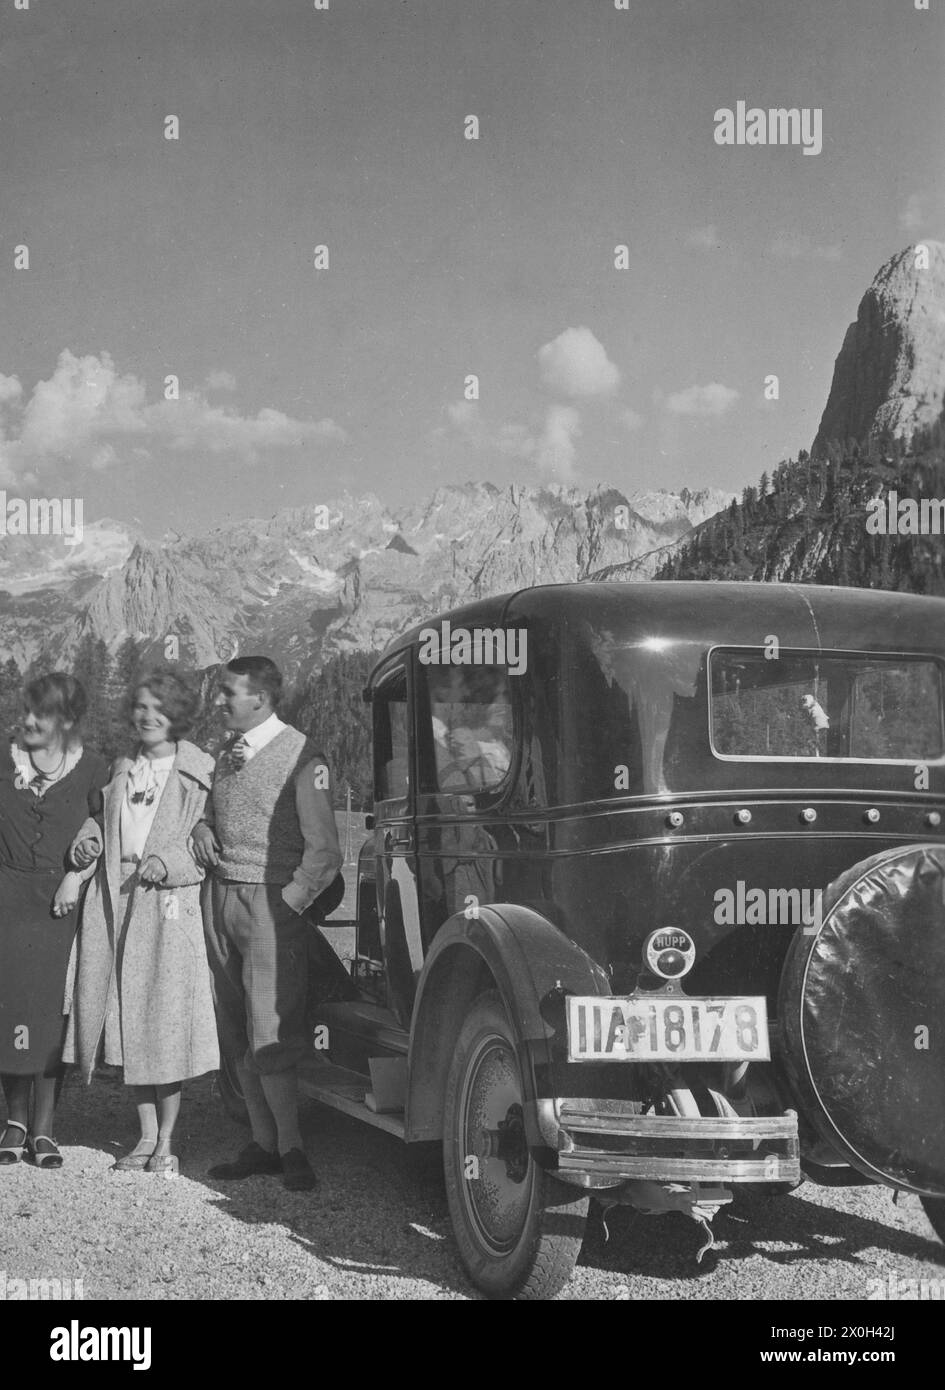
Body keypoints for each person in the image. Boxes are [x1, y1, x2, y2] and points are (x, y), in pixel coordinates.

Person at [192, 656, 343, 1192]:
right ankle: (261, 1143)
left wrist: (289, 903)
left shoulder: (303, 757)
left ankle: (293, 1147)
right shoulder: (225, 756)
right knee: (235, 1029)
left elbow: (325, 851)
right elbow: (215, 812)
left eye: (228, 692)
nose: (219, 701)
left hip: (270, 905)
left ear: (261, 698)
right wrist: (201, 829)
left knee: (272, 1030)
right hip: (221, 898)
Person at [63, 671, 219, 1175]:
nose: (149, 717)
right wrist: (87, 840)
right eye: (142, 707)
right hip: (116, 897)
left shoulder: (199, 772)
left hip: (168, 908)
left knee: (163, 1020)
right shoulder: (120, 767)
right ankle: (144, 1137)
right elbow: (101, 822)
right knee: (128, 1018)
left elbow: (208, 849)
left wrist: (170, 863)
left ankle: (168, 1143)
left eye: (160, 709)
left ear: (178, 716)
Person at [0, 674, 108, 1170]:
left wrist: (76, 875)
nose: (27, 721)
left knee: (50, 1014)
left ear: (65, 721)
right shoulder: (5, 760)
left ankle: (44, 1128)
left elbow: (106, 832)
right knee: (11, 1009)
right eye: (27, 711)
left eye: (39, 714)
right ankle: (14, 1121)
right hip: (7, 898)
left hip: (60, 904)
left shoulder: (92, 769)